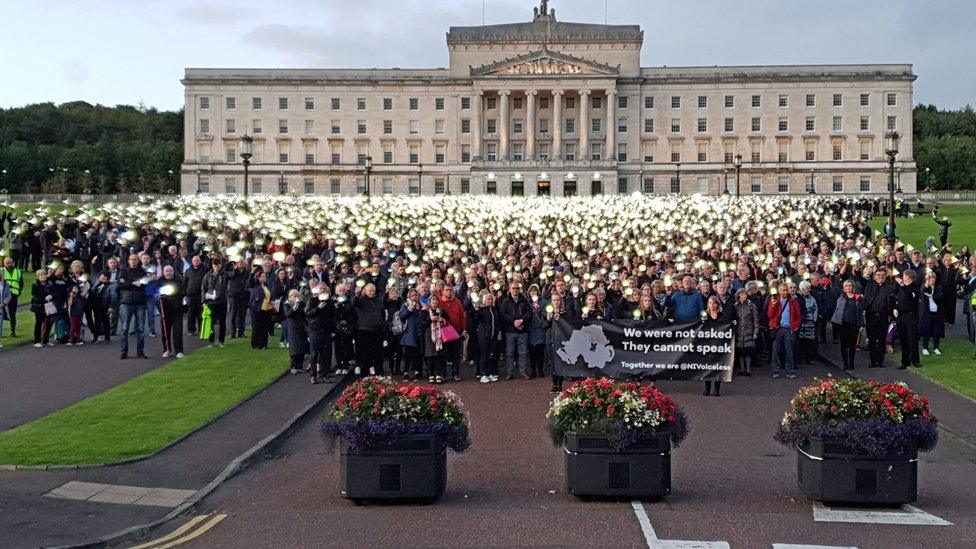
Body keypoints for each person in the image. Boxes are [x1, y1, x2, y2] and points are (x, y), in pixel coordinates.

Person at [117, 253, 148, 359]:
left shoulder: (142, 272)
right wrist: (133, 284)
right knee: (124, 329)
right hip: (126, 302)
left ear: (138, 261)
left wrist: (130, 284)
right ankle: (123, 352)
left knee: (141, 329)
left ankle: (140, 352)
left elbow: (144, 284)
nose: (133, 261)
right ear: (129, 261)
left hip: (140, 302)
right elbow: (120, 284)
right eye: (131, 259)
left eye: (135, 259)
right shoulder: (124, 271)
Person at [767, 283, 801, 379]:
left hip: (788, 329)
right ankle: (775, 371)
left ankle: (790, 371)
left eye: (786, 290)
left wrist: (795, 327)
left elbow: (798, 315)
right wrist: (773, 305)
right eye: (783, 290)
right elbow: (769, 315)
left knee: (789, 351)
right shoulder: (774, 301)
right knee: (776, 351)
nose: (785, 292)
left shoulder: (793, 301)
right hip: (777, 329)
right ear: (779, 291)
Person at [500, 280, 531, 380]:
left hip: (523, 330)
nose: (515, 290)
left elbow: (529, 313)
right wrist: (514, 322)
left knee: (523, 353)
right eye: (513, 288)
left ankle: (523, 371)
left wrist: (521, 320)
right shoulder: (505, 301)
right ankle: (510, 372)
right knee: (510, 353)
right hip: (510, 331)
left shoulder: (524, 300)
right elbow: (503, 315)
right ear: (510, 289)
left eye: (517, 288)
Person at [353, 282, 386, 376]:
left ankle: (379, 370)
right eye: (370, 290)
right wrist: (356, 295)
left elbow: (382, 313)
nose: (372, 292)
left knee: (378, 352)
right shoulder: (361, 300)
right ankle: (365, 371)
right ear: (366, 291)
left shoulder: (379, 300)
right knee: (365, 352)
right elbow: (354, 304)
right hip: (365, 330)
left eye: (374, 291)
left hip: (377, 330)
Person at [862, 267, 893, 368]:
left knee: (882, 339)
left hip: (883, 317)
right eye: (878, 275)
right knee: (871, 339)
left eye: (883, 276)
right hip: (871, 316)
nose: (880, 277)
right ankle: (873, 361)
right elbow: (861, 280)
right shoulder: (870, 285)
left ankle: (880, 361)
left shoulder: (888, 287)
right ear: (874, 277)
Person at [831, 280, 864, 370]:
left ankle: (851, 362)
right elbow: (837, 310)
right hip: (843, 324)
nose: (848, 287)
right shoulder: (841, 297)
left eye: (850, 286)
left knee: (852, 345)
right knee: (844, 345)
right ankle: (845, 363)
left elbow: (861, 312)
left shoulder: (858, 298)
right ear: (844, 288)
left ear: (853, 287)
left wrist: (861, 325)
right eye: (846, 286)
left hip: (854, 324)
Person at [305, 286, 335, 383]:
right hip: (315, 330)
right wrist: (318, 308)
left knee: (325, 354)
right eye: (321, 289)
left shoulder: (330, 302)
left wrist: (332, 330)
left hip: (326, 331)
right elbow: (307, 313)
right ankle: (313, 375)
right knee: (314, 354)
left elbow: (332, 316)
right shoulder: (312, 300)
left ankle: (324, 374)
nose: (323, 290)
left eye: (324, 289)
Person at [893, 269, 922, 369]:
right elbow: (898, 300)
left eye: (904, 276)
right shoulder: (901, 288)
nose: (902, 277)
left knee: (912, 339)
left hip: (911, 316)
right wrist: (895, 309)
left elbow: (910, 296)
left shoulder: (915, 287)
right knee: (903, 339)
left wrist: (902, 285)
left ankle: (915, 360)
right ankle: (904, 361)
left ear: (908, 277)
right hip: (901, 316)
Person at [439, 285, 467, 381]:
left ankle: (455, 374)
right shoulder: (440, 302)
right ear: (443, 291)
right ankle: (443, 374)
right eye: (447, 290)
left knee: (456, 354)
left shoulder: (457, 302)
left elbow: (462, 317)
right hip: (444, 331)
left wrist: (464, 329)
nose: (449, 292)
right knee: (444, 354)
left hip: (457, 330)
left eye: (450, 290)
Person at [474, 290, 502, 384]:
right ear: (484, 301)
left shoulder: (494, 309)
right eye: (488, 299)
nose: (490, 300)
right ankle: (483, 374)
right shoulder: (481, 310)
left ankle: (490, 373)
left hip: (493, 336)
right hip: (484, 336)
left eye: (491, 299)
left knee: (491, 355)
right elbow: (476, 320)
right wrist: (477, 310)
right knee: (484, 356)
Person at [158, 265, 186, 358]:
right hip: (164, 311)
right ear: (163, 272)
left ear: (173, 272)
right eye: (166, 271)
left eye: (170, 271)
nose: (168, 273)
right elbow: (156, 295)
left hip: (176, 310)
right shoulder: (159, 281)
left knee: (177, 331)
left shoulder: (178, 281)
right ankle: (167, 349)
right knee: (165, 331)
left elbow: (181, 293)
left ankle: (179, 351)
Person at [282, 289, 311, 380]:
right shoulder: (286, 304)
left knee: (302, 346)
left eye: (296, 296)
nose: (295, 298)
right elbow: (288, 314)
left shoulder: (301, 303)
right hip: (292, 328)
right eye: (293, 296)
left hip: (301, 327)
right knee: (294, 347)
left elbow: (303, 314)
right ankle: (293, 366)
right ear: (290, 297)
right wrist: (294, 307)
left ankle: (300, 366)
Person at [201, 257, 229, 347]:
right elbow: (203, 288)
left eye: (218, 266)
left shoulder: (224, 274)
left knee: (222, 322)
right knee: (211, 322)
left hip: (221, 302)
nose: (217, 268)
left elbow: (232, 275)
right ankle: (211, 342)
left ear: (221, 265)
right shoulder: (207, 275)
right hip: (210, 302)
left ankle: (221, 341)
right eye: (215, 266)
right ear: (212, 265)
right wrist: (204, 301)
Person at [397, 288, 424, 381]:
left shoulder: (421, 305)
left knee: (417, 355)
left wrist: (419, 310)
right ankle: (406, 372)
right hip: (408, 333)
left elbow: (423, 318)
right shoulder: (405, 305)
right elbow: (402, 316)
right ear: (409, 296)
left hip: (419, 333)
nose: (414, 297)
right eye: (412, 295)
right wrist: (410, 309)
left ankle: (417, 372)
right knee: (407, 355)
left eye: (416, 295)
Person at [702, 295, 725, 396]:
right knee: (707, 366)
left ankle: (717, 387)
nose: (712, 305)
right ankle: (707, 387)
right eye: (710, 303)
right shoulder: (704, 314)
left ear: (717, 304)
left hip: (719, 343)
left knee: (718, 366)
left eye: (714, 303)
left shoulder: (722, 314)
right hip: (707, 343)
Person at [733, 288, 759, 376]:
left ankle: (748, 370)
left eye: (745, 294)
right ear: (738, 295)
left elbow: (756, 319)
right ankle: (742, 369)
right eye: (742, 294)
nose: (744, 296)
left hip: (749, 330)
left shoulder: (751, 305)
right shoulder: (735, 306)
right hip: (739, 330)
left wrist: (755, 332)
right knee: (741, 351)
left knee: (748, 351)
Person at [918, 270, 945, 356]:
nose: (932, 280)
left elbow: (940, 297)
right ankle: (925, 347)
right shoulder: (924, 286)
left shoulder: (939, 287)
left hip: (936, 313)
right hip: (926, 313)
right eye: (930, 278)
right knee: (926, 331)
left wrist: (931, 295)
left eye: (933, 278)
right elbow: (922, 291)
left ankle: (936, 347)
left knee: (936, 331)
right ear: (927, 279)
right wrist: (926, 285)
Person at [423, 293, 447, 384]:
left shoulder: (442, 311)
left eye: (436, 300)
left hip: (440, 335)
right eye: (433, 300)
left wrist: (442, 320)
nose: (435, 302)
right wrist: (430, 319)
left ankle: (438, 374)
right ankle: (431, 374)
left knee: (439, 356)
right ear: (429, 301)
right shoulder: (425, 311)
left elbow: (448, 322)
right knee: (430, 356)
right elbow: (422, 324)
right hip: (429, 335)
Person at [527, 284, 549, 378]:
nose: (533, 292)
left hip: (540, 329)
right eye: (531, 290)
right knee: (532, 351)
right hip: (530, 329)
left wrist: (540, 311)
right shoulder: (527, 302)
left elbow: (547, 313)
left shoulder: (544, 302)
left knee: (540, 350)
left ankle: (540, 370)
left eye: (535, 290)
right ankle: (533, 370)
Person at [249, 271, 274, 350]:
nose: (264, 278)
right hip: (257, 309)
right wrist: (252, 273)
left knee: (265, 326)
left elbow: (270, 295)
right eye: (263, 276)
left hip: (266, 308)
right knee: (257, 327)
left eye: (265, 276)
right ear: (259, 278)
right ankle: (256, 344)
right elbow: (255, 297)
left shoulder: (267, 286)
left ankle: (263, 344)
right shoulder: (255, 286)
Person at [796, 281, 818, 364]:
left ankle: (809, 357)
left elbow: (815, 309)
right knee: (801, 340)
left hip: (810, 322)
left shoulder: (812, 299)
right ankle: (800, 357)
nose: (809, 290)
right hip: (801, 322)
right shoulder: (798, 298)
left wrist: (814, 319)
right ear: (802, 289)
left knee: (809, 340)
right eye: (807, 289)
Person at [2, 256, 23, 338]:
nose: (9, 264)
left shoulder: (18, 272)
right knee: (1, 314)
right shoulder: (1, 271)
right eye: (7, 263)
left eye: (10, 262)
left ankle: (12, 331)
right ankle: (1, 332)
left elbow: (21, 284)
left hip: (14, 295)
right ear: (4, 264)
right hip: (3, 295)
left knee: (12, 314)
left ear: (13, 263)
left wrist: (18, 293)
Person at [183, 255, 205, 335]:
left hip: (201, 295)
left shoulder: (204, 269)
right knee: (191, 314)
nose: (196, 261)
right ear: (192, 262)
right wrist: (185, 293)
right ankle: (191, 330)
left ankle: (201, 329)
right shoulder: (188, 271)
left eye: (197, 260)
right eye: (194, 260)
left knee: (201, 313)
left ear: (200, 261)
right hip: (191, 296)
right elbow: (184, 282)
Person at [0, 271, 11, 348]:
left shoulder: (5, 284)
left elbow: (9, 296)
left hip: (1, 308)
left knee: (0, 325)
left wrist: (3, 303)